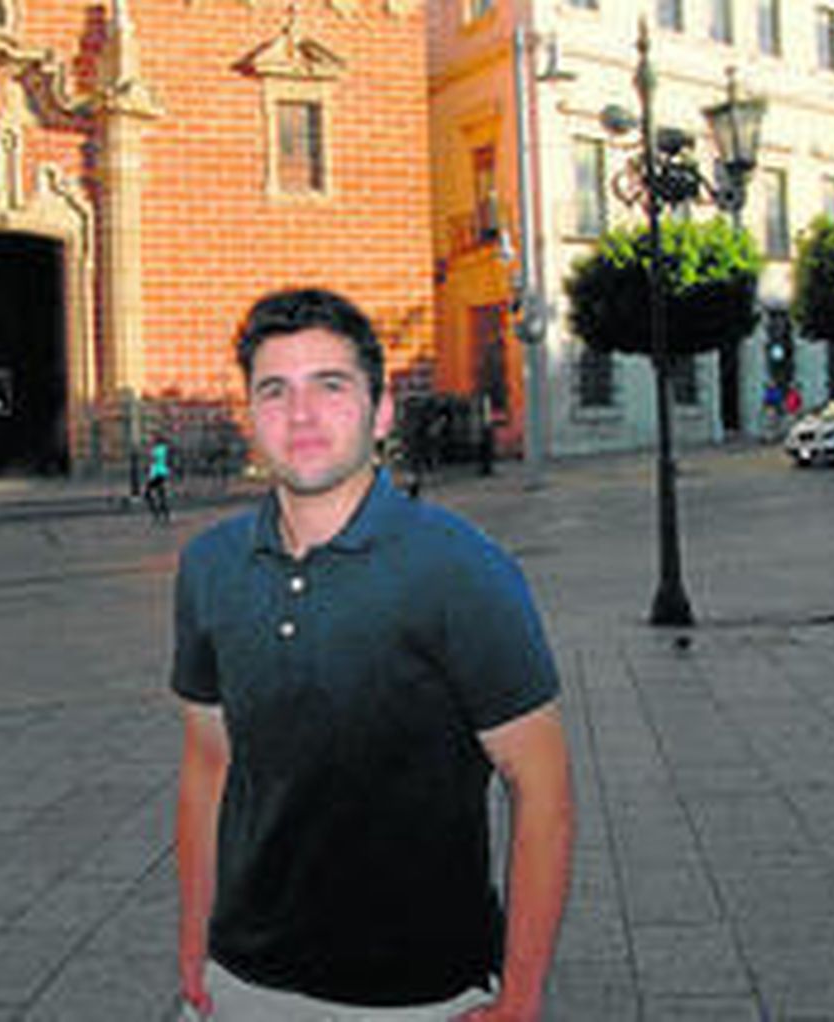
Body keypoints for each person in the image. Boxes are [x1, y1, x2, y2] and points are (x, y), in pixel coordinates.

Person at [172, 288, 574, 1022]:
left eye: (330, 386)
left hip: (419, 995)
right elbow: (207, 763)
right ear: (250, 417)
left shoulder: (463, 570)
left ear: (380, 410)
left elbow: (541, 788)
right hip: (243, 981)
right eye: (274, 391)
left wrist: (520, 998)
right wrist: (194, 943)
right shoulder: (209, 567)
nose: (301, 415)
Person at [146, 434, 173, 524]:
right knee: (160, 494)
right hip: (158, 473)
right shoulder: (160, 448)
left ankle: (159, 514)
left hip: (159, 473)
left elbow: (154, 459)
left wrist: (150, 451)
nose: (150, 440)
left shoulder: (160, 449)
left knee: (149, 494)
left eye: (152, 439)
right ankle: (164, 514)